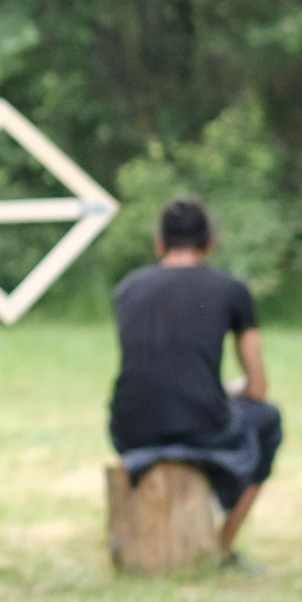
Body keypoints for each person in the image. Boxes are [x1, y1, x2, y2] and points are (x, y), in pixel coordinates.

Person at [109, 194, 282, 557]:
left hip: (130, 429)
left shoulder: (126, 288)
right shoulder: (231, 290)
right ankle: (223, 545)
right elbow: (257, 387)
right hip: (202, 426)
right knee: (268, 421)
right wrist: (229, 390)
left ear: (159, 243)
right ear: (210, 242)